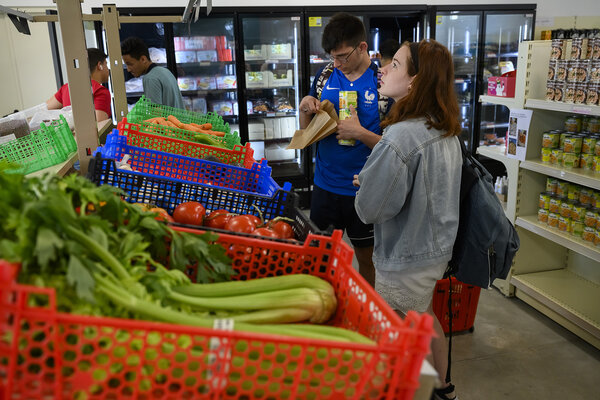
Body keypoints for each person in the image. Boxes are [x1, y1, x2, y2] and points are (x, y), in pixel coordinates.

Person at [354, 39, 462, 400]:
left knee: (402, 337)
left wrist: (367, 183)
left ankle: (417, 391)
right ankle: (443, 388)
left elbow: (370, 209)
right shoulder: (442, 128)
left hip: (404, 253)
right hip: (435, 250)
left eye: (395, 64)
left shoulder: (401, 135)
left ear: (415, 81)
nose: (382, 68)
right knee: (425, 316)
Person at [299, 12, 384, 287]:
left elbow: (397, 147)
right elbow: (307, 132)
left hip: (366, 188)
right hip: (325, 185)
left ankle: (364, 310)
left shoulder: (383, 81)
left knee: (367, 260)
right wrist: (304, 107)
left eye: (343, 56)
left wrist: (360, 133)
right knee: (319, 257)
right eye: (332, 57)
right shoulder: (326, 75)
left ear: (362, 47)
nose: (336, 63)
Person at [46, 48, 111, 122]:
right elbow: (99, 128)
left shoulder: (67, 87)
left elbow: (44, 110)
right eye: (106, 64)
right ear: (100, 66)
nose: (108, 69)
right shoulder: (100, 91)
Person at [120, 36, 184, 109]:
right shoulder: (165, 71)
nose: (128, 69)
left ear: (143, 59)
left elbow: (156, 115)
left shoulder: (150, 78)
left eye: (130, 64)